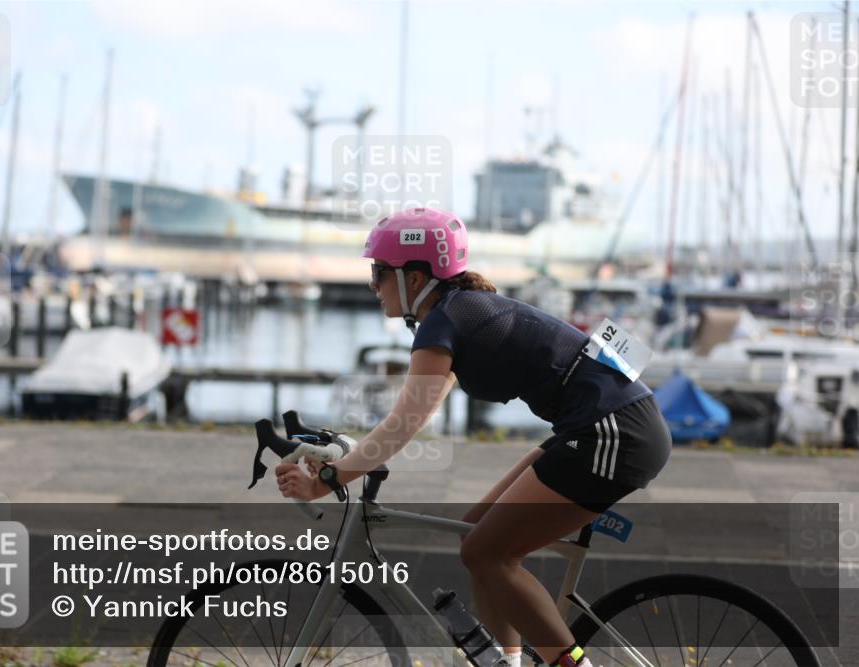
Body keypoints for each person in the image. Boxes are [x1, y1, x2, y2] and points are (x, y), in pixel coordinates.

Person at [276, 207, 672, 667]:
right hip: (604, 424)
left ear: (415, 277)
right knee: (477, 528)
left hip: (613, 432)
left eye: (379, 273)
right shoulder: (455, 313)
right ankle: (507, 661)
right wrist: (345, 453)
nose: (372, 285)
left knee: (487, 553)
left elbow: (404, 423)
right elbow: (413, 413)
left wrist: (330, 479)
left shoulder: (445, 322)